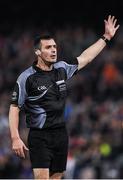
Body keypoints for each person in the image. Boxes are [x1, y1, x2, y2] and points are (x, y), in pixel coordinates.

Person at [9, 15, 119, 179]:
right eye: (48, 47)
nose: (53, 50)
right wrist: (15, 137)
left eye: (54, 46)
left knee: (56, 178)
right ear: (38, 52)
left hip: (61, 134)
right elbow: (14, 108)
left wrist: (106, 37)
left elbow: (86, 58)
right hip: (39, 136)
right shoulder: (26, 77)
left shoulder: (61, 68)